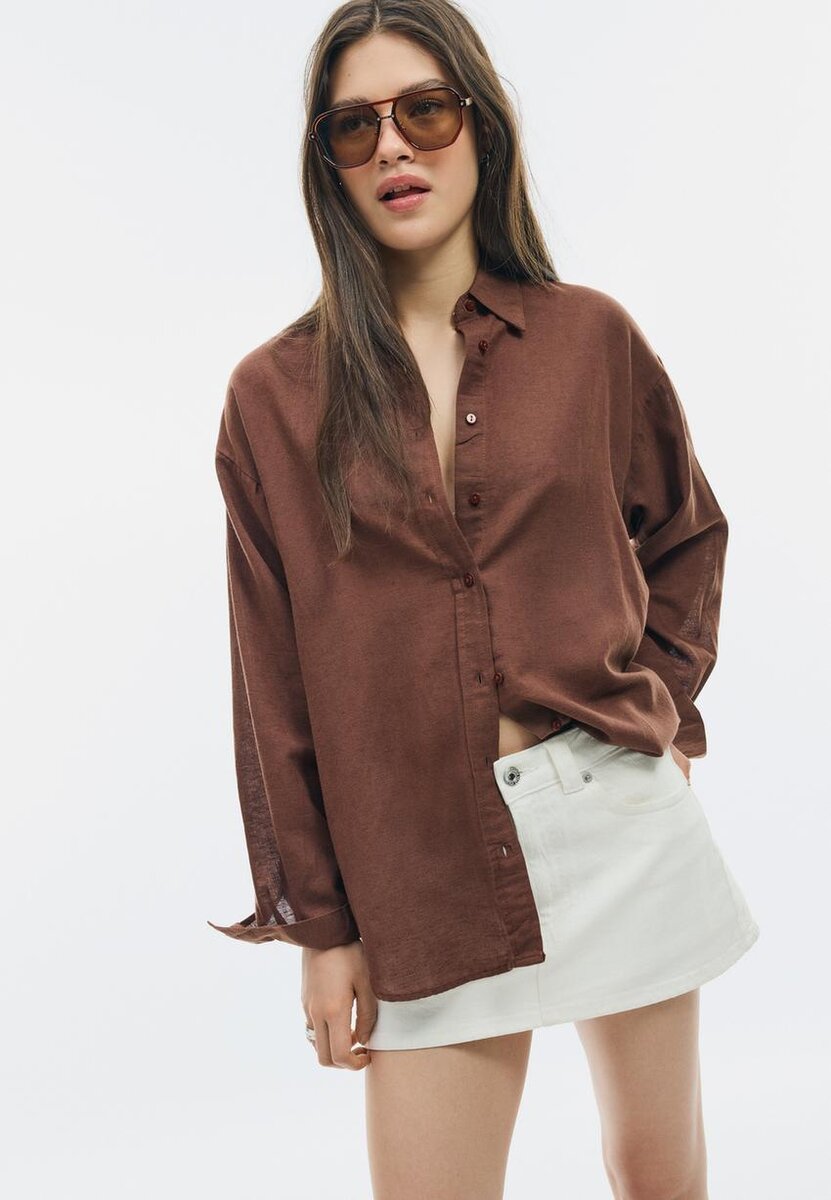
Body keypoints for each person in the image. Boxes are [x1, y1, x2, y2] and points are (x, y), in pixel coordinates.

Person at [208, 2, 759, 1196]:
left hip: (615, 817)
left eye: (426, 111)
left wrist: (660, 714)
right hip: (420, 863)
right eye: (354, 127)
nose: (394, 148)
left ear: (480, 126)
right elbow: (273, 682)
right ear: (326, 161)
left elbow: (687, 535)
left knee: (660, 1175)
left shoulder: (589, 339)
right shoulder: (272, 399)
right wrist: (320, 928)